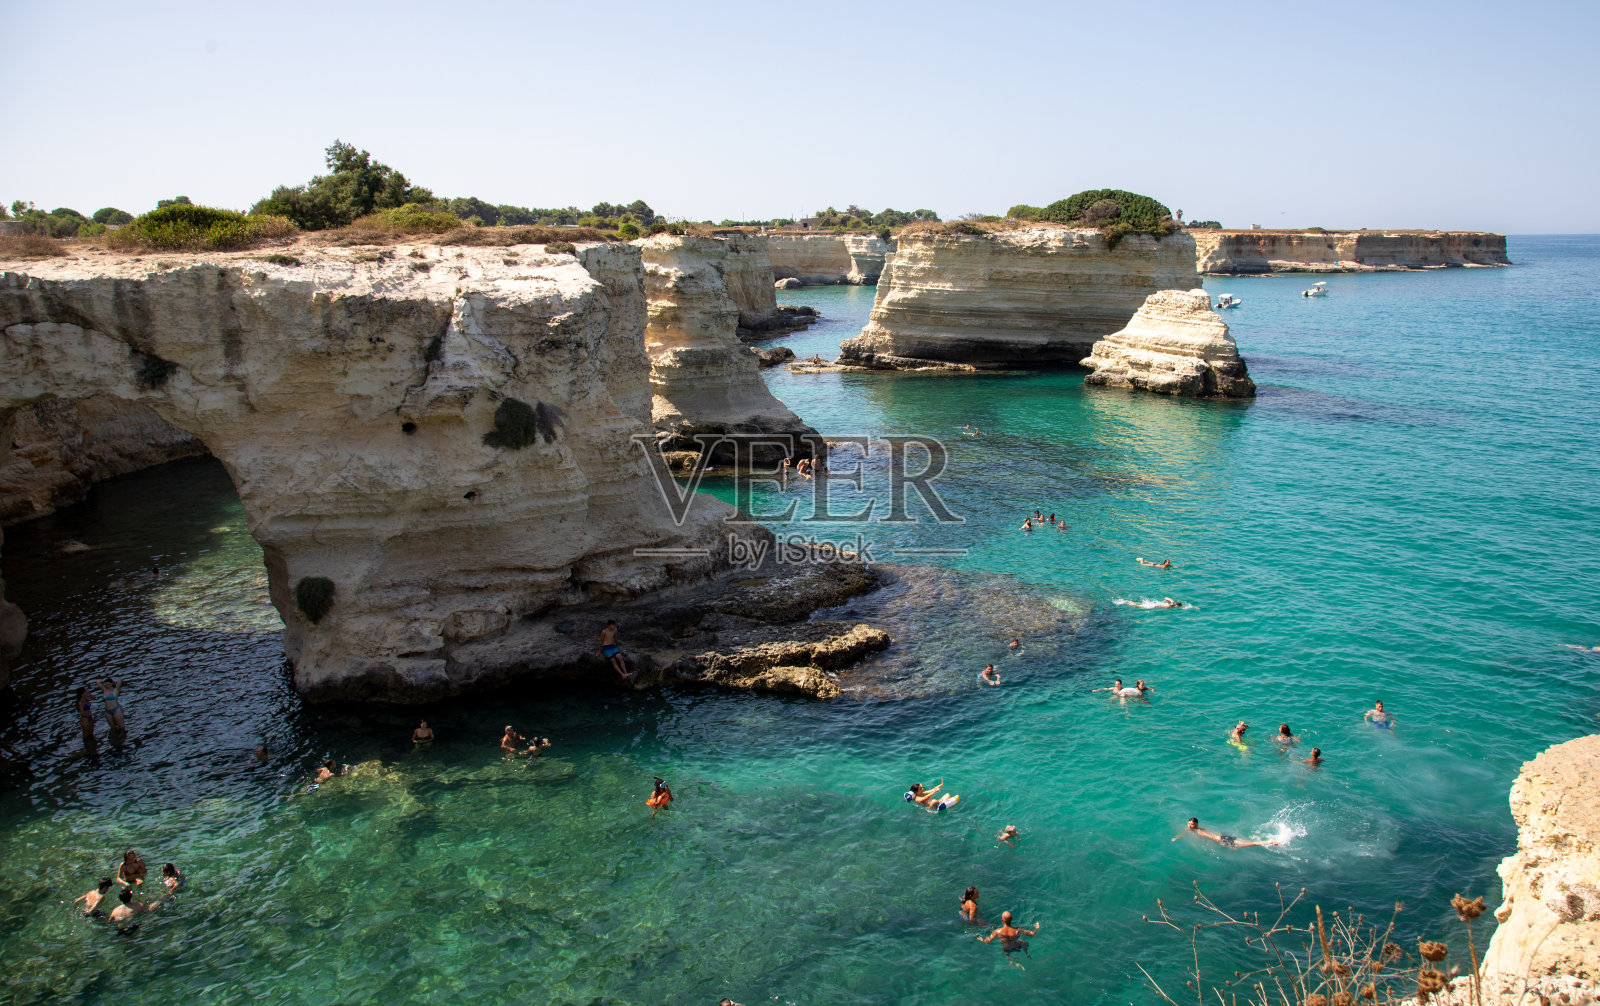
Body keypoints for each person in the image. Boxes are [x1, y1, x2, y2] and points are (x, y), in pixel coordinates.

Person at [1179, 817, 1278, 849]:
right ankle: (1268, 841)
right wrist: (1177, 838)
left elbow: (1209, 836)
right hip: (1223, 836)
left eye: (1191, 824)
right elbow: (1185, 832)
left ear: (1196, 825)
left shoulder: (1199, 831)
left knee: (1250, 844)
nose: (1189, 826)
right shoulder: (1194, 829)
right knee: (1248, 842)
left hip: (1222, 840)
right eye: (1188, 824)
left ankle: (1269, 842)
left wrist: (1222, 843)